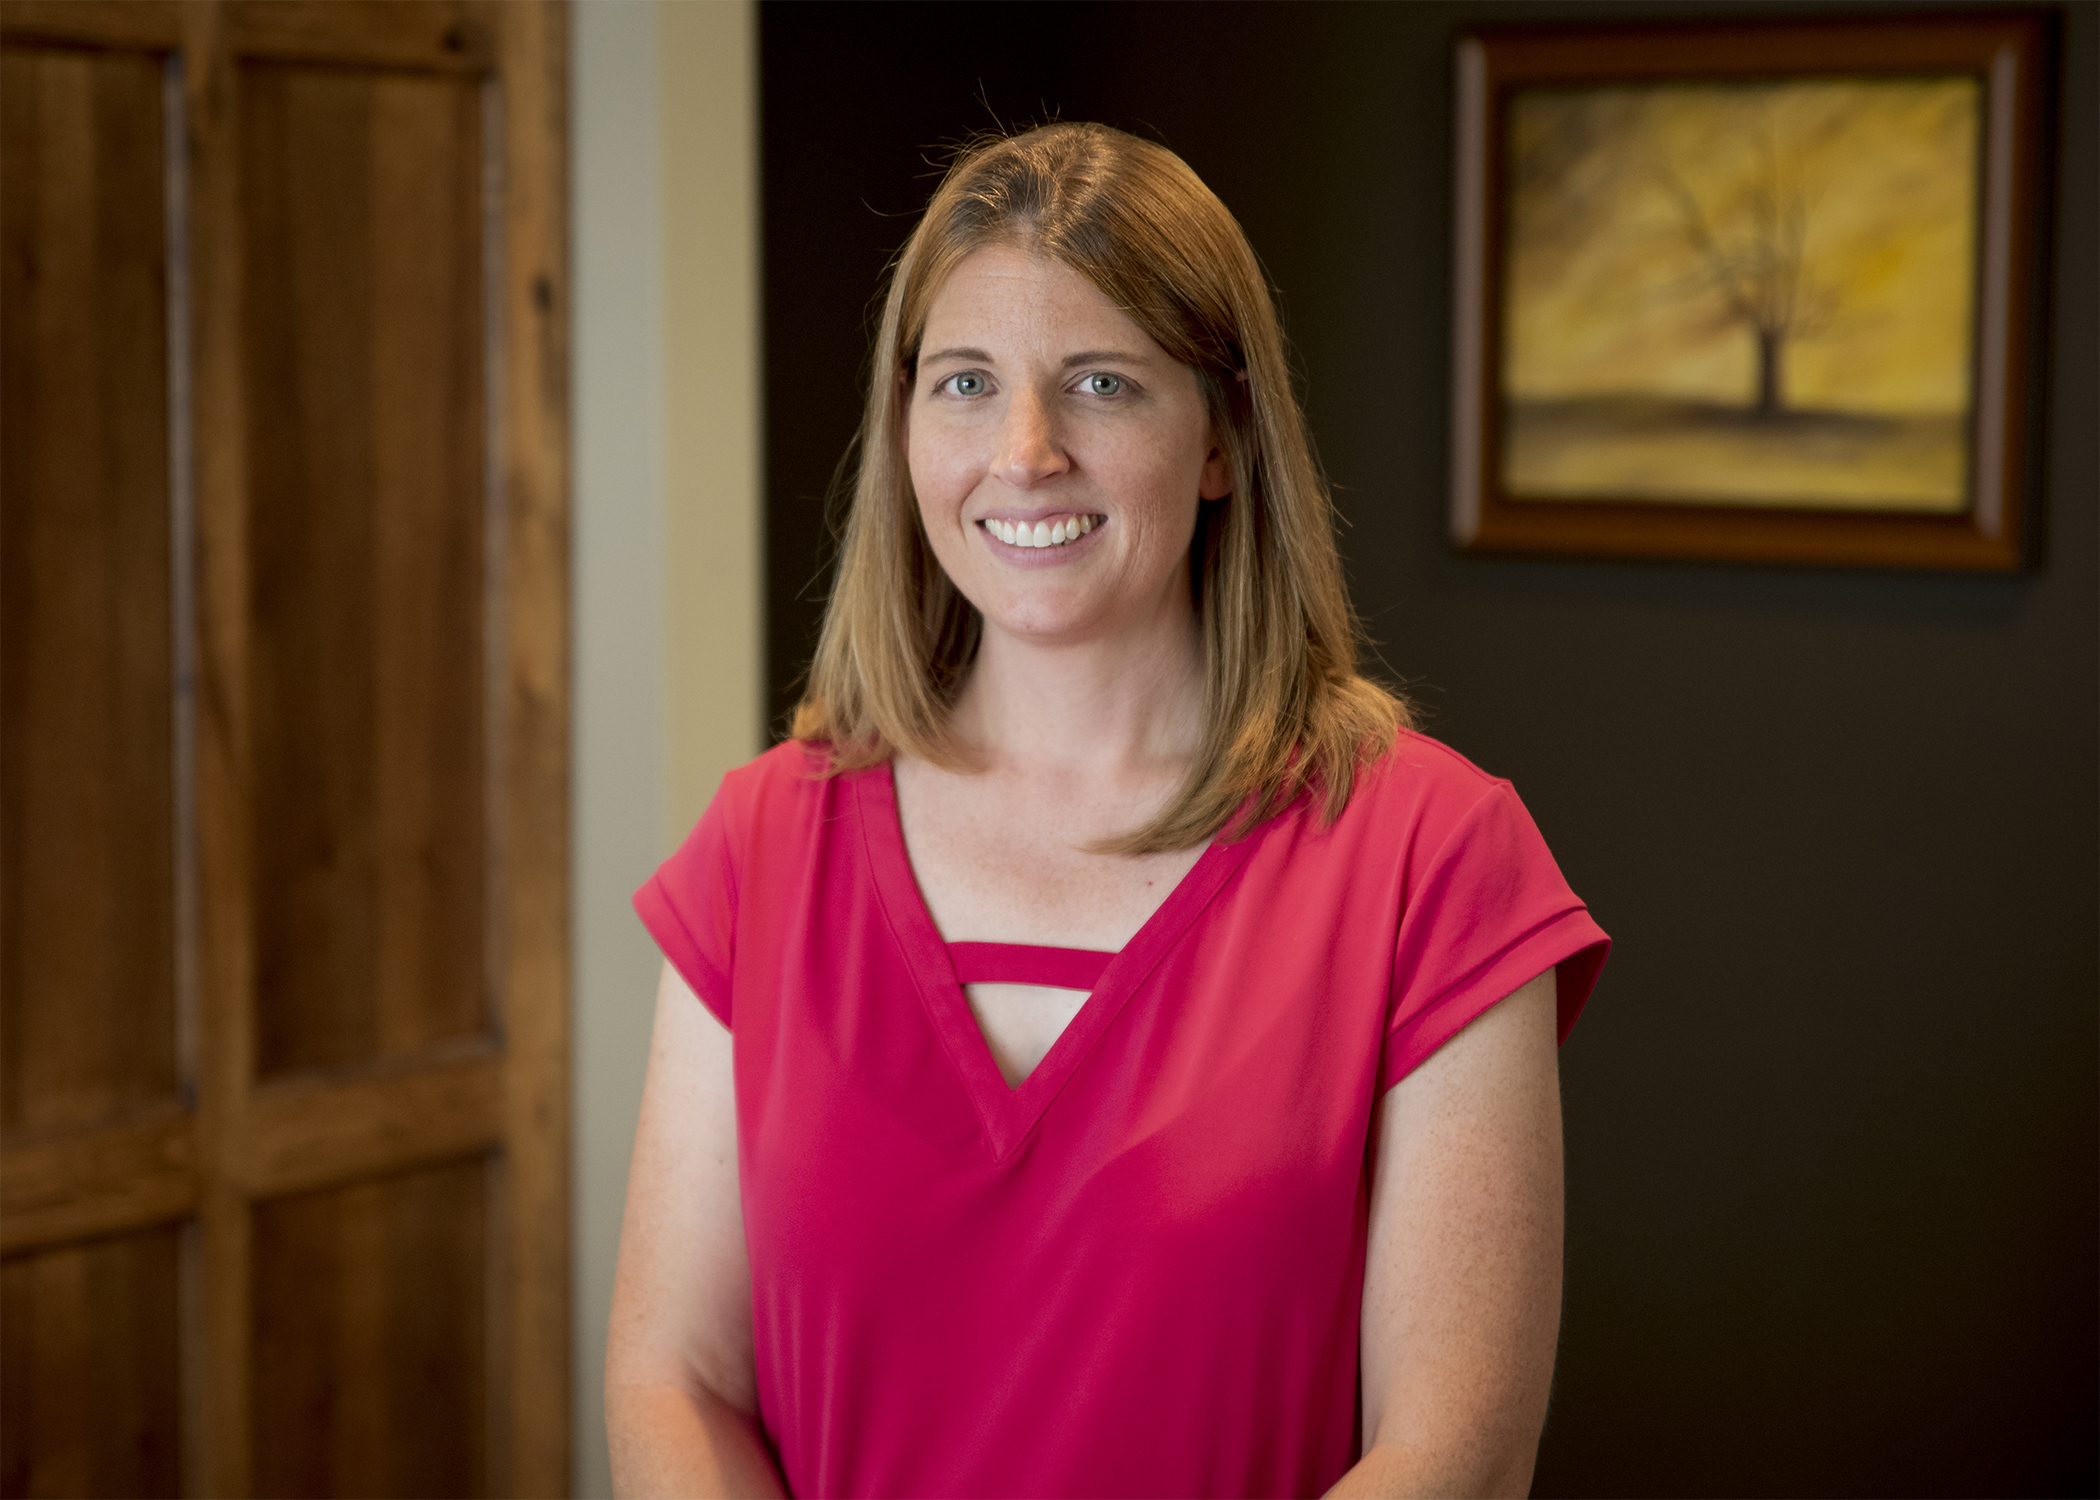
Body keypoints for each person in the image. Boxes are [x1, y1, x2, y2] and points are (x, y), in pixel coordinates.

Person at [606, 122, 1609, 1500]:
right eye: (965, 383)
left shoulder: (1433, 860)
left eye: (1101, 385)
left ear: (1221, 437)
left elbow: (1457, 1456)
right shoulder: (761, 845)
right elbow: (676, 1386)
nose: (1025, 453)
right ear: (906, 427)